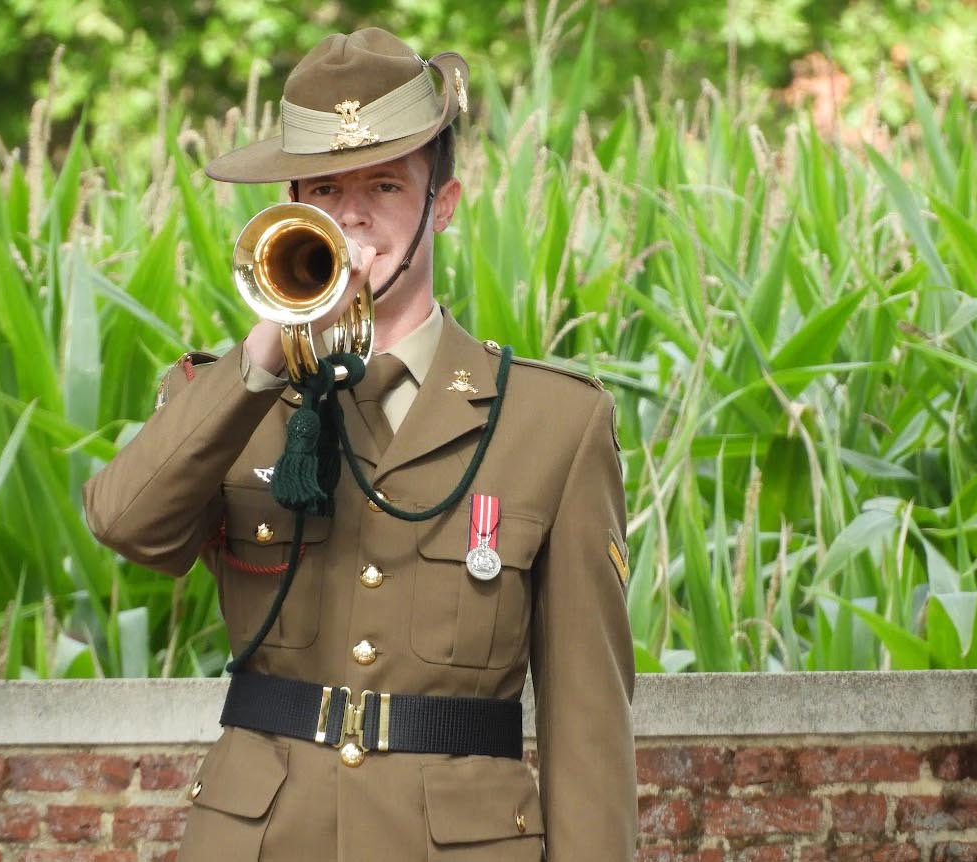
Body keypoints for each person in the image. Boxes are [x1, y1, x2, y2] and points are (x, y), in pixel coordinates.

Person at [82, 27, 635, 862]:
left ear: (440, 207)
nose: (352, 214)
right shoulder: (227, 398)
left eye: (385, 183)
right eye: (327, 189)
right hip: (260, 840)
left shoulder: (552, 422)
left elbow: (587, 717)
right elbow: (129, 526)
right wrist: (265, 353)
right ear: (291, 206)